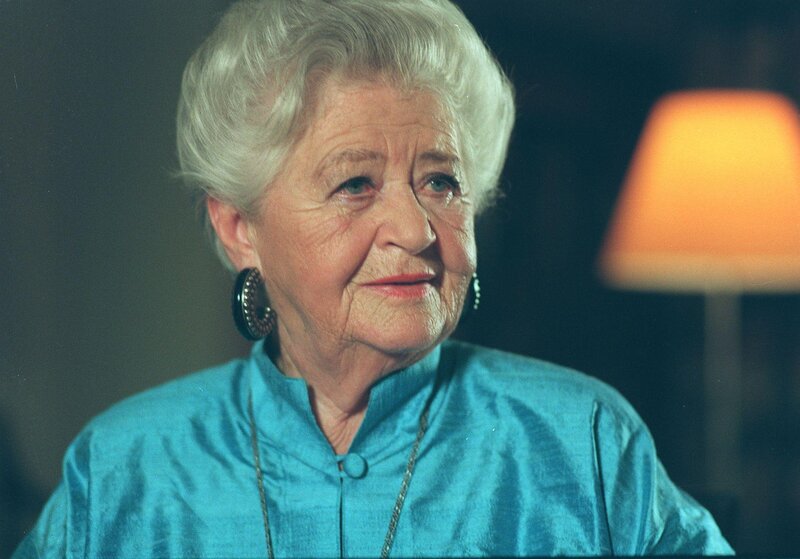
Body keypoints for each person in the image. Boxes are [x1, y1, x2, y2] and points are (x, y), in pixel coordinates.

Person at [15, 0, 734, 557]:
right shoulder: (123, 471)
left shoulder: (582, 442)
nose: (417, 230)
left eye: (441, 181)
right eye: (355, 183)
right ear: (239, 228)